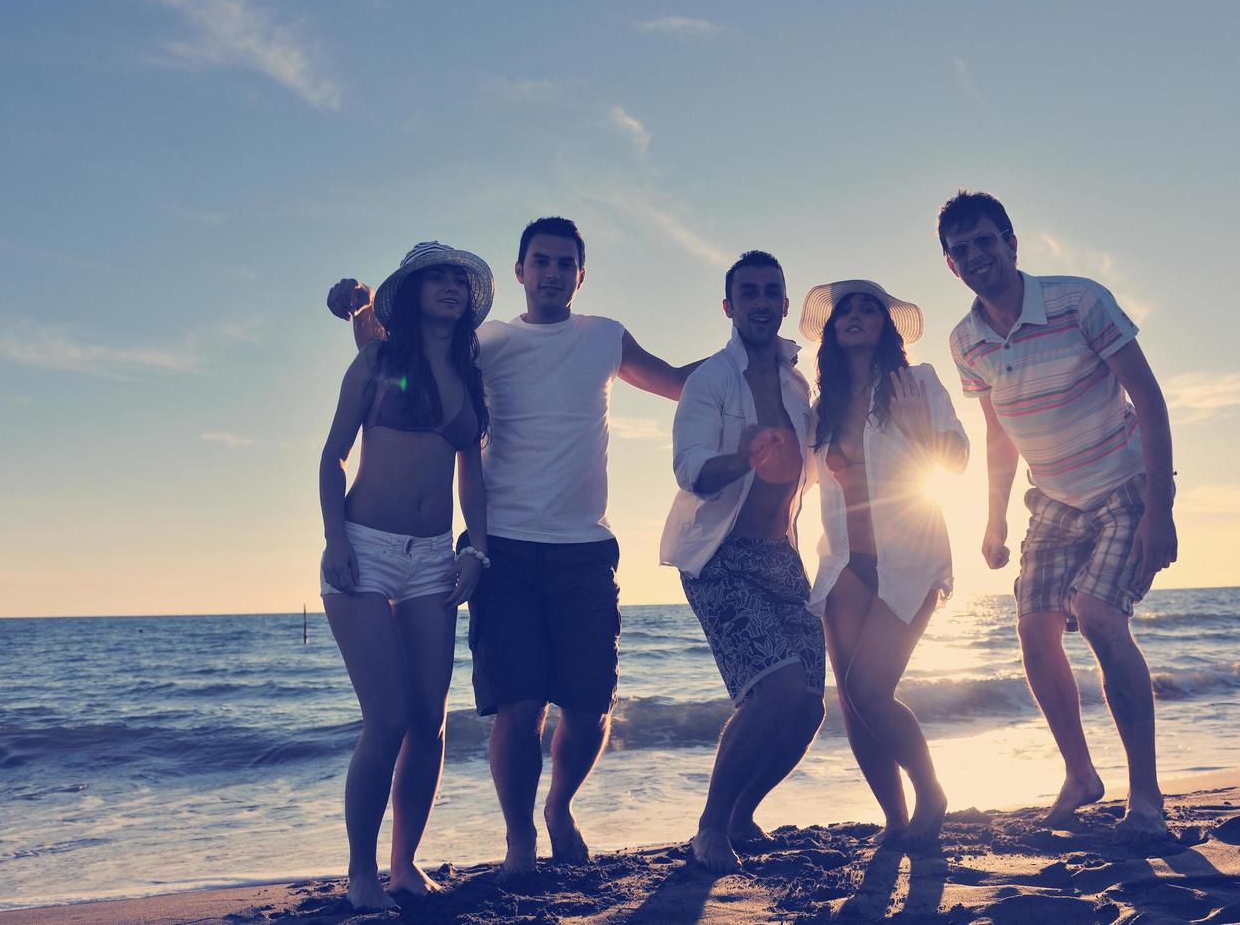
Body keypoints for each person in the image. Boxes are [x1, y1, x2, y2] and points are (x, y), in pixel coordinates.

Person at [328, 217, 702, 877]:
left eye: (566, 263)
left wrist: (746, 360)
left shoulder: (597, 338)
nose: (553, 272)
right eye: (541, 261)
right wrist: (358, 305)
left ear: (579, 275)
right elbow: (394, 360)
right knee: (510, 706)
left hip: (567, 546)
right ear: (522, 271)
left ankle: (546, 812)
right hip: (484, 545)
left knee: (584, 708)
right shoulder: (485, 346)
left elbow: (674, 380)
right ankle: (512, 841)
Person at [940, 190, 1178, 840]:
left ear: (1012, 244)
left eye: (985, 241)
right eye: (960, 251)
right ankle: (1080, 774)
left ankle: (1147, 797)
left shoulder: (1080, 302)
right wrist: (993, 521)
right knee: (1034, 629)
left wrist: (1162, 509)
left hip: (1124, 486)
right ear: (951, 267)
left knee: (1100, 617)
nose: (975, 255)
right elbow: (997, 432)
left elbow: (1149, 400)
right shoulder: (966, 342)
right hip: (1052, 501)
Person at [318, 241, 493, 909]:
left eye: (460, 280)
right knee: (385, 720)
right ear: (414, 291)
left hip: (434, 559)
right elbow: (332, 459)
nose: (450, 287)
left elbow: (472, 475)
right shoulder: (378, 362)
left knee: (429, 721)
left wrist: (476, 550)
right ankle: (361, 873)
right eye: (437, 278)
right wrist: (335, 538)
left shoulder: (469, 372)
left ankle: (404, 865)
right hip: (363, 548)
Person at [660, 251, 825, 874]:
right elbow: (691, 471)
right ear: (729, 307)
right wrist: (746, 456)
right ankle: (709, 829)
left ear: (785, 305)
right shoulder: (710, 380)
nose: (760, 302)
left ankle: (740, 814)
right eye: (747, 293)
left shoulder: (795, 383)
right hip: (719, 558)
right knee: (773, 690)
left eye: (771, 292)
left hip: (783, 557)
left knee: (808, 703)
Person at [798, 280, 968, 852]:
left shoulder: (916, 382)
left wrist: (921, 430)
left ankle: (931, 792)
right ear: (830, 330)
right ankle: (895, 821)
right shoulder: (822, 409)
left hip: (910, 557)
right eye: (845, 309)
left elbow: (957, 459)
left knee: (872, 691)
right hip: (845, 561)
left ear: (887, 326)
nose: (855, 314)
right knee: (851, 698)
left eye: (868, 307)